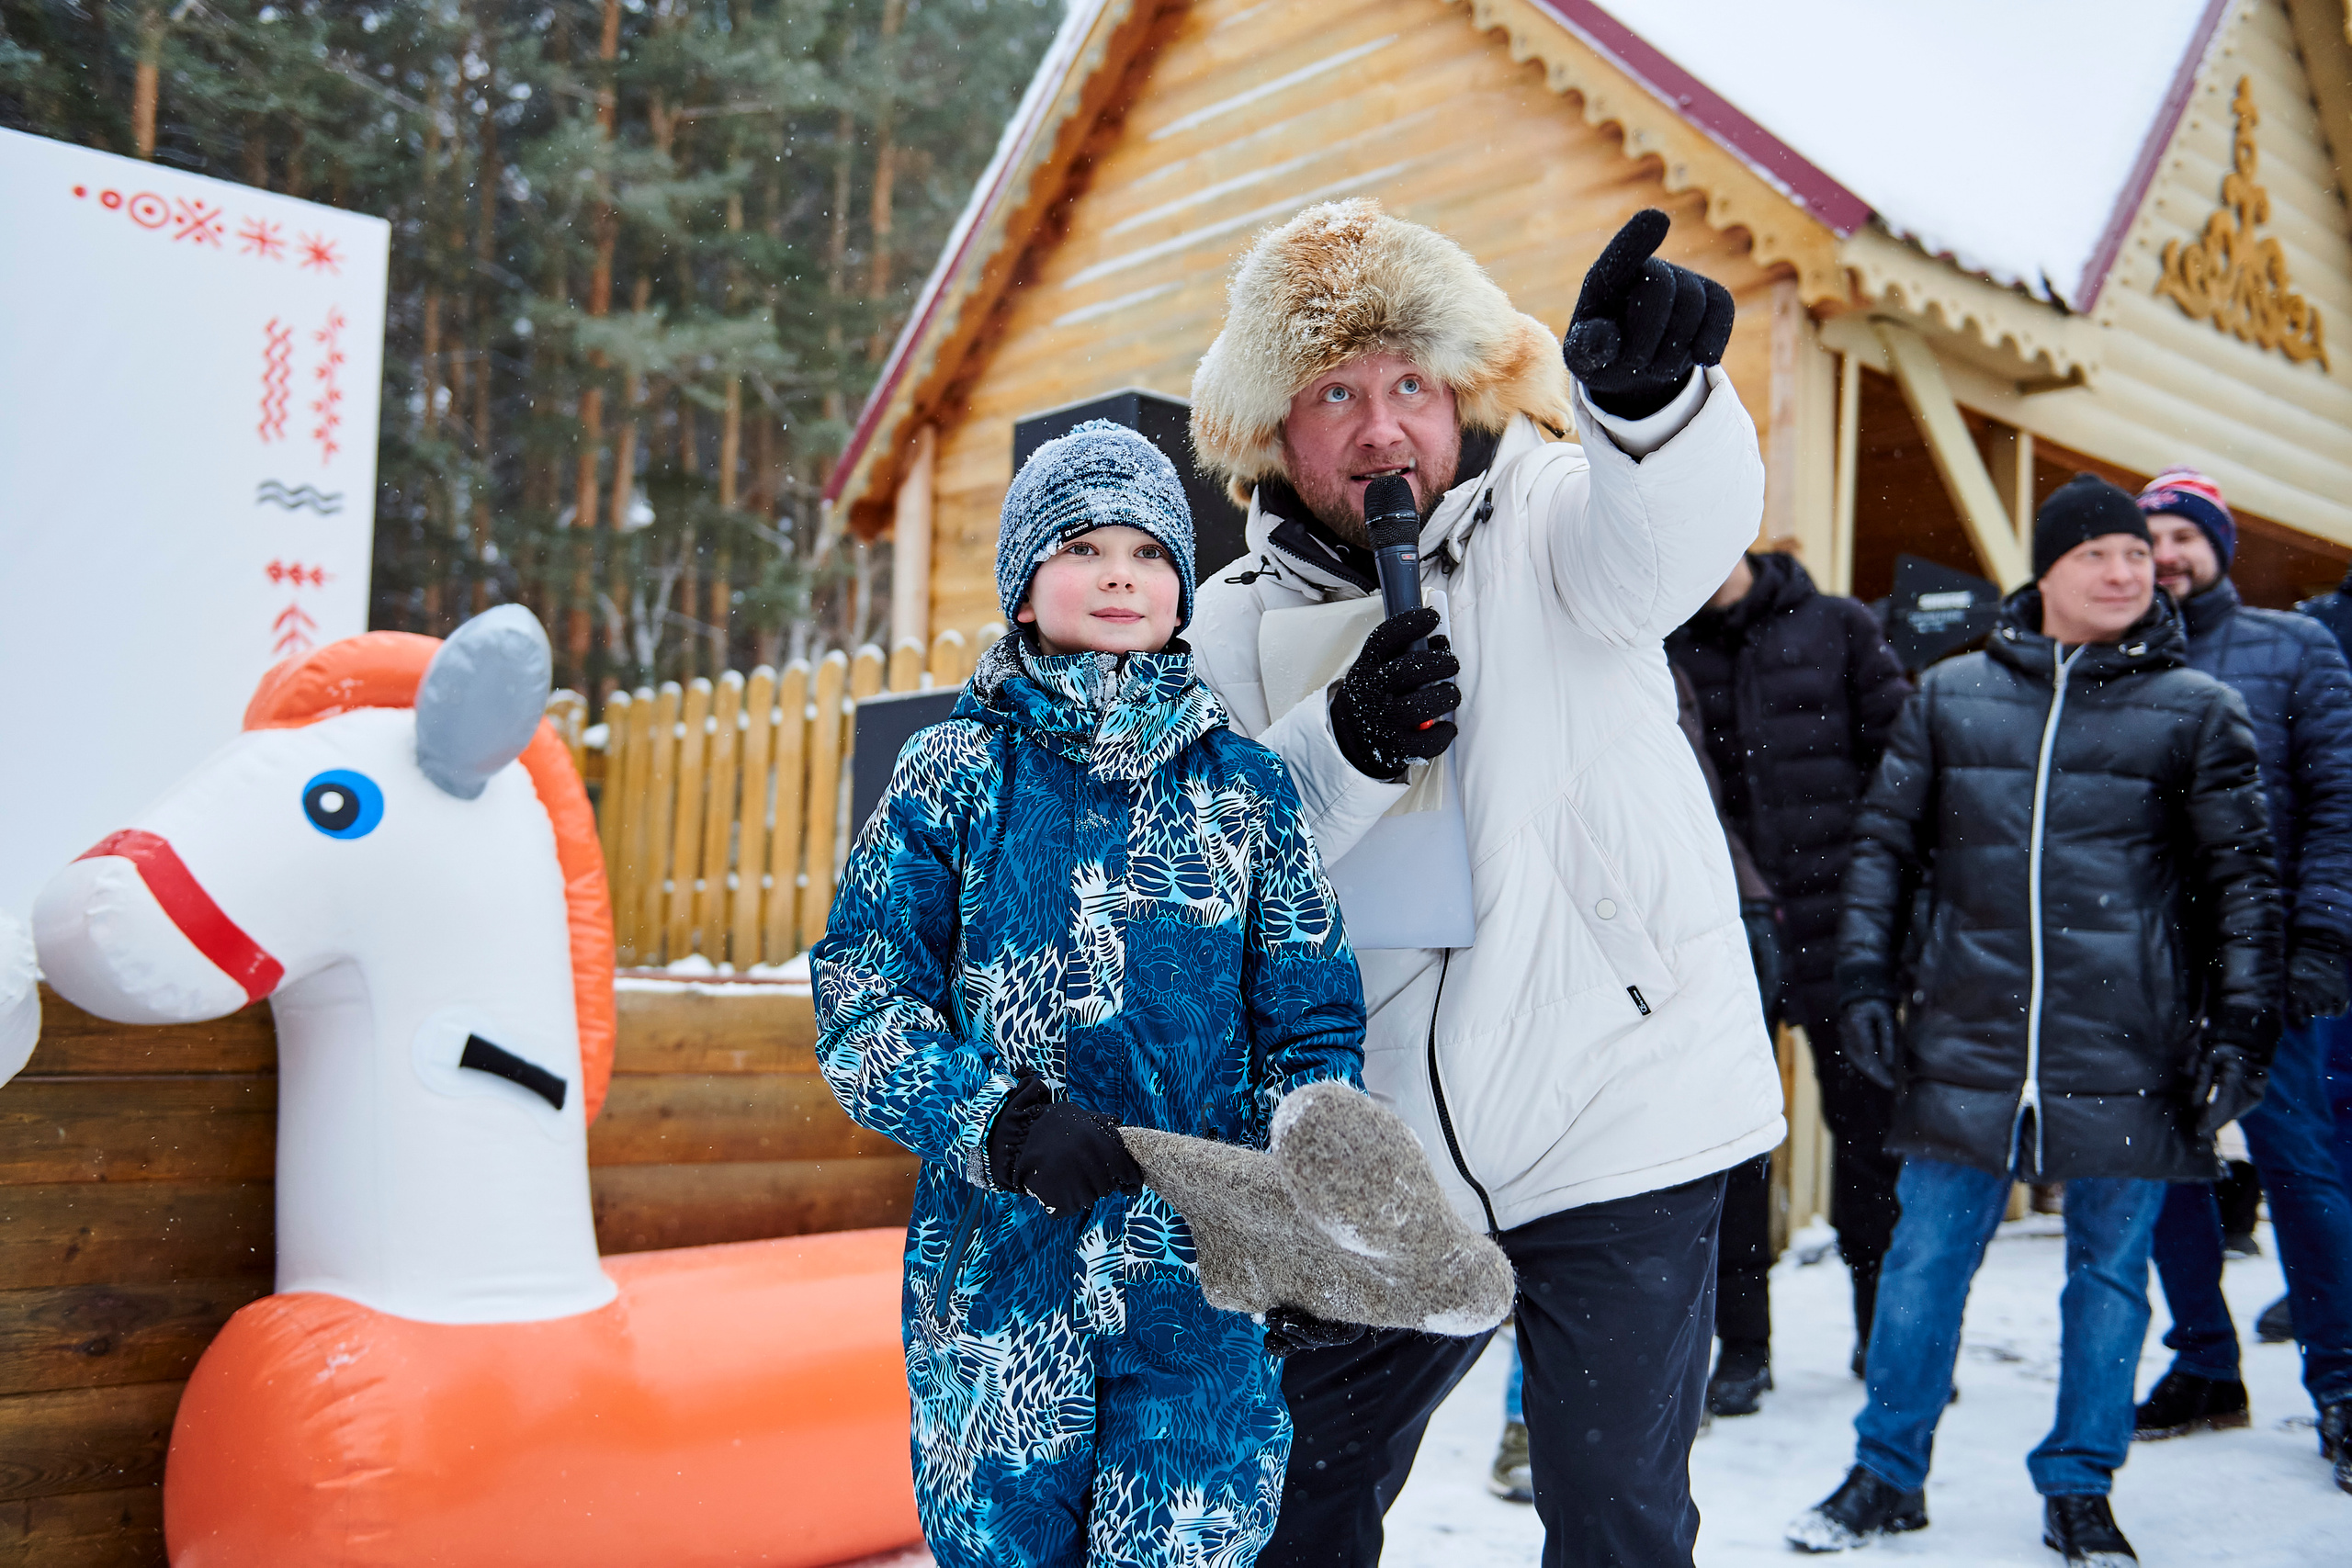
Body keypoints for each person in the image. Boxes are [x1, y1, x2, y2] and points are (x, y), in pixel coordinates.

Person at [1186, 198, 1783, 1568]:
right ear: (1274, 426)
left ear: (1461, 392)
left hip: (1616, 1112)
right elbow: (1214, 868)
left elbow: (1669, 539)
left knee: (1615, 1520)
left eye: (1410, 384)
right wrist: (1340, 747)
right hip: (1376, 1153)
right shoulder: (1227, 622)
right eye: (1336, 393)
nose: (1381, 430)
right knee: (1286, 1508)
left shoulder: (1554, 513)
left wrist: (1654, 411)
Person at [810, 422, 1371, 1568]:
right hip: (999, 1284)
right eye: (1082, 548)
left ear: (1181, 591)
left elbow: (1310, 1017)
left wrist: (1313, 1214)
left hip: (1198, 1283)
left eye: (1148, 552)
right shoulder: (953, 774)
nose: (1120, 574)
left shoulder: (1247, 789)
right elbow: (863, 1002)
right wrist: (1000, 1125)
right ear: (1023, 591)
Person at [1786, 475, 2281, 1565]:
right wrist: (1863, 984)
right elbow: (1884, 853)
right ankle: (1886, 1472)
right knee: (1922, 1265)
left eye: (2136, 557)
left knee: (2107, 1277)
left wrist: (2242, 1025)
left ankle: (2079, 1485)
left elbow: (2240, 885)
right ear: (2047, 571)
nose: (2125, 571)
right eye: (2097, 553)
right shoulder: (1950, 694)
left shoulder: (2198, 708)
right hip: (1965, 1033)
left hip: (2132, 1042)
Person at [2131, 468, 2352, 1495]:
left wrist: (2323, 939)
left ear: (2218, 546)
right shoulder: (2115, 656)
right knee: (2166, 1169)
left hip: (2270, 959)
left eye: (2183, 535)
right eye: (2149, 539)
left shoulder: (2295, 646)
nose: (2165, 555)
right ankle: (2206, 1365)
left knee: (2300, 1168)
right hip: (2150, 966)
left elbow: (2339, 801)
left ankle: (2343, 1380)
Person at [1668, 549, 1914, 1413]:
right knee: (1734, 1146)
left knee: (1871, 1133)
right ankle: (1743, 1346)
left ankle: (1882, 1327)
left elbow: (1901, 769)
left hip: (1845, 930)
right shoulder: (1663, 645)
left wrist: (1885, 910)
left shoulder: (1838, 625)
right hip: (1728, 933)